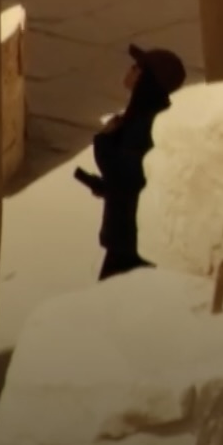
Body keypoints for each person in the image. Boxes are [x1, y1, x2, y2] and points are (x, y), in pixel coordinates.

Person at [73, 45, 187, 280]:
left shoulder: (145, 123)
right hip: (132, 234)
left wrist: (104, 141)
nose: (129, 70)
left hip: (131, 239)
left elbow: (127, 175)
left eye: (136, 68)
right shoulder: (147, 115)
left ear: (146, 80)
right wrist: (104, 187)